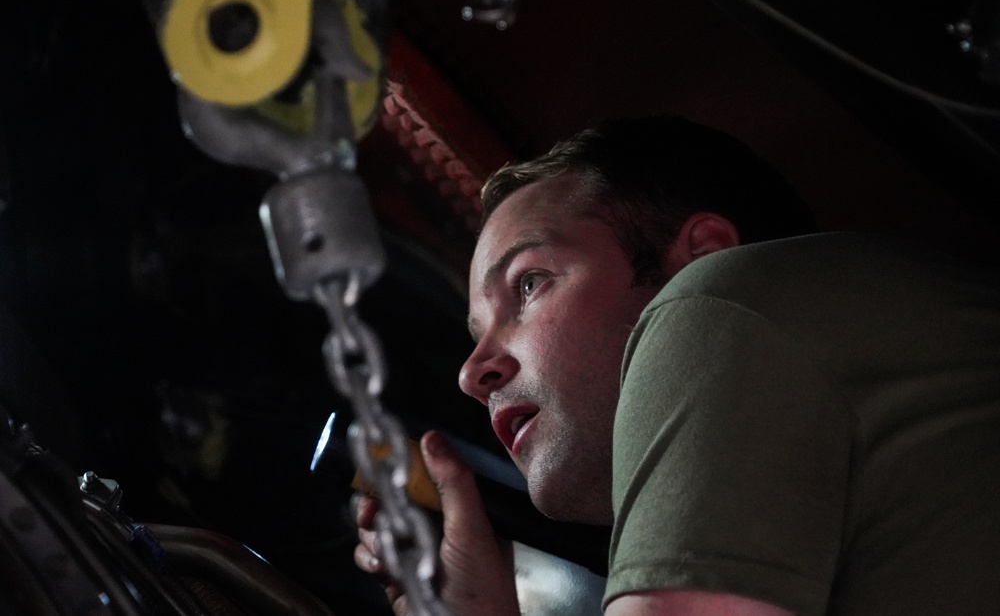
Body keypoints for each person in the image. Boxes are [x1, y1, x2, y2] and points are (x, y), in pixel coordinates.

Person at [354, 114, 1000, 615]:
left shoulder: (717, 302)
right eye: (476, 329)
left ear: (697, 256)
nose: (473, 371)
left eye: (528, 284)